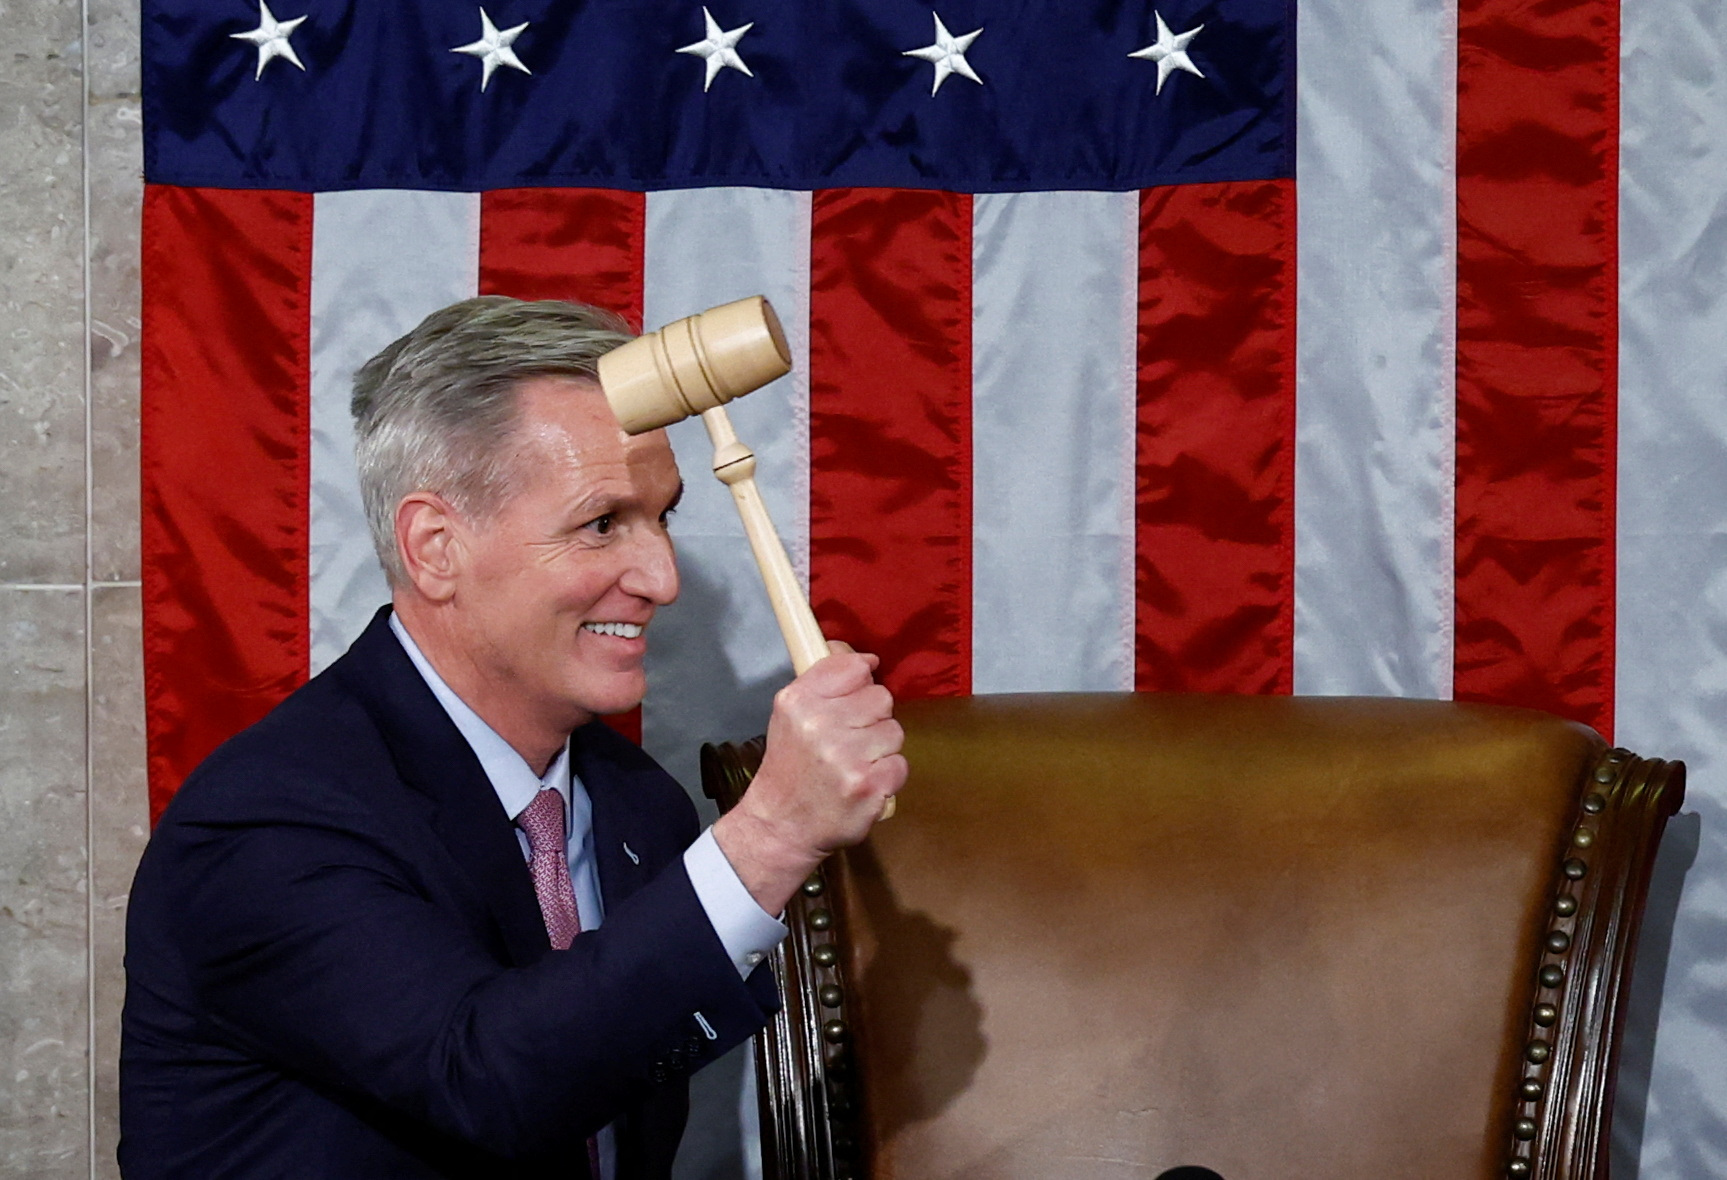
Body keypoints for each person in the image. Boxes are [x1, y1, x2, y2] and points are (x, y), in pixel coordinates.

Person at [118, 297, 907, 1179]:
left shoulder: (635, 803)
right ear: (435, 547)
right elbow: (487, 1083)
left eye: (664, 517)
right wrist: (770, 836)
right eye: (602, 523)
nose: (661, 578)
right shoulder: (266, 822)